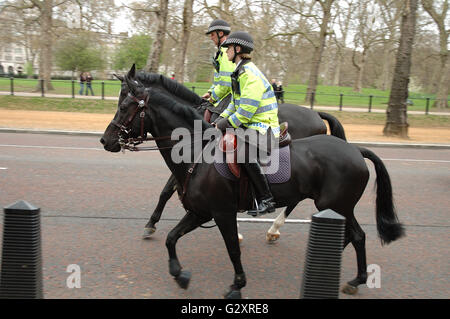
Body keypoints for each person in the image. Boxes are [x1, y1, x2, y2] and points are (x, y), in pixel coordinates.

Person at [213, 31, 279, 216]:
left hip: (264, 127)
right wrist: (218, 121)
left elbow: (244, 113)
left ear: (238, 49)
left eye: (228, 49)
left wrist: (224, 124)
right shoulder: (239, 72)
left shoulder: (250, 75)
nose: (226, 53)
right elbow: (234, 104)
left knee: (243, 152)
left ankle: (267, 199)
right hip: (252, 125)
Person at [202, 19, 235, 122]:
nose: (211, 38)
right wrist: (210, 92)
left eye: (212, 35)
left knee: (214, 119)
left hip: (231, 94)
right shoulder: (221, 52)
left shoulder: (226, 52)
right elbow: (218, 80)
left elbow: (226, 84)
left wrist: (213, 98)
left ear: (220, 33)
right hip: (226, 93)